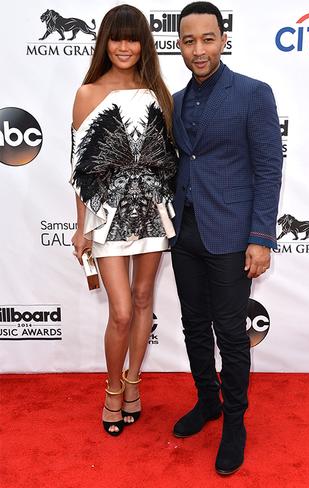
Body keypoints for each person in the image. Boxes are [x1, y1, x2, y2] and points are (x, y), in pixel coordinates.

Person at [170, 1, 283, 475]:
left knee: (231, 336)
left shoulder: (253, 94)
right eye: (189, 41)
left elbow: (268, 168)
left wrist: (260, 237)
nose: (199, 50)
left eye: (207, 39)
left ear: (223, 39)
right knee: (193, 325)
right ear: (179, 44)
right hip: (185, 232)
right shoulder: (174, 101)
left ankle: (235, 422)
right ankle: (207, 401)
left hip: (233, 235)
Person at [70, 4, 177, 437]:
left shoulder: (159, 92)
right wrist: (81, 227)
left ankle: (134, 385)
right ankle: (112, 389)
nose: (125, 46)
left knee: (142, 299)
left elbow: (168, 160)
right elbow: (80, 168)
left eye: (133, 38)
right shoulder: (87, 93)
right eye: (117, 38)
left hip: (152, 212)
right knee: (119, 312)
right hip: (106, 215)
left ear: (144, 44)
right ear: (105, 43)